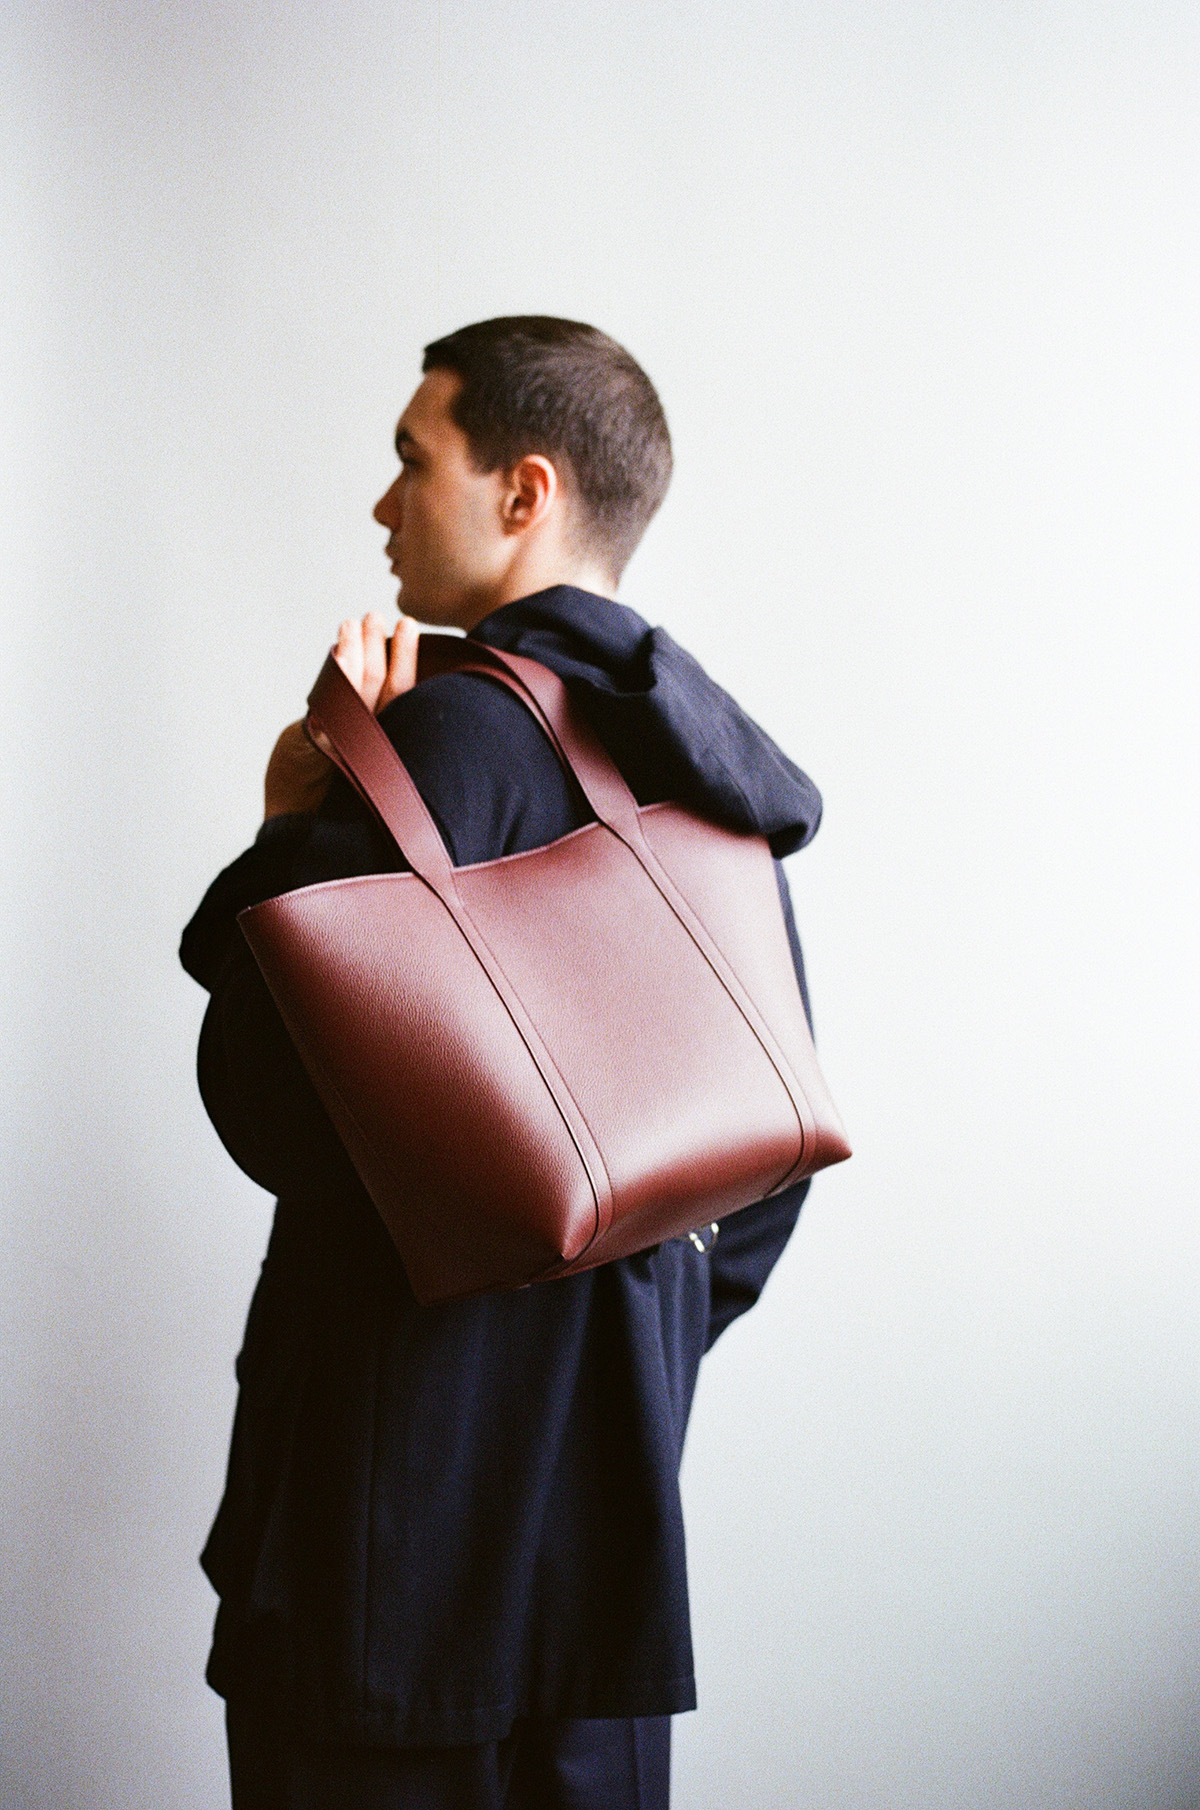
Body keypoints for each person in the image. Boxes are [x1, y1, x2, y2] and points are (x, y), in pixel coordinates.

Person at [180, 316, 826, 1810]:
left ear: (524, 490)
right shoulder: (704, 778)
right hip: (607, 1554)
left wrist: (293, 829)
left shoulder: (431, 746)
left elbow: (271, 1106)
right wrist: (631, 1344)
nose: (383, 504)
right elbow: (783, 1137)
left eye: (414, 459)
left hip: (383, 1536)